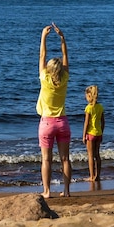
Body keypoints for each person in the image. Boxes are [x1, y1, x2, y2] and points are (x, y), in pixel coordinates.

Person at [36, 23, 72, 198]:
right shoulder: (64, 79)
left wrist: (44, 36)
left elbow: (42, 55)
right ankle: (66, 191)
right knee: (65, 159)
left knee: (46, 159)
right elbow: (65, 55)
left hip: (47, 123)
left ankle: (47, 191)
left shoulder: (44, 78)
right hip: (63, 122)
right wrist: (62, 38)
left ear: (49, 69)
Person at [82, 85, 105, 182]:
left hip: (90, 134)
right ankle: (98, 175)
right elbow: (103, 122)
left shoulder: (89, 108)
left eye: (86, 96)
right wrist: (101, 132)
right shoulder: (100, 107)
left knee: (90, 155)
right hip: (98, 133)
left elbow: (86, 123)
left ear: (89, 96)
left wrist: (83, 135)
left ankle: (91, 176)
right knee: (97, 155)